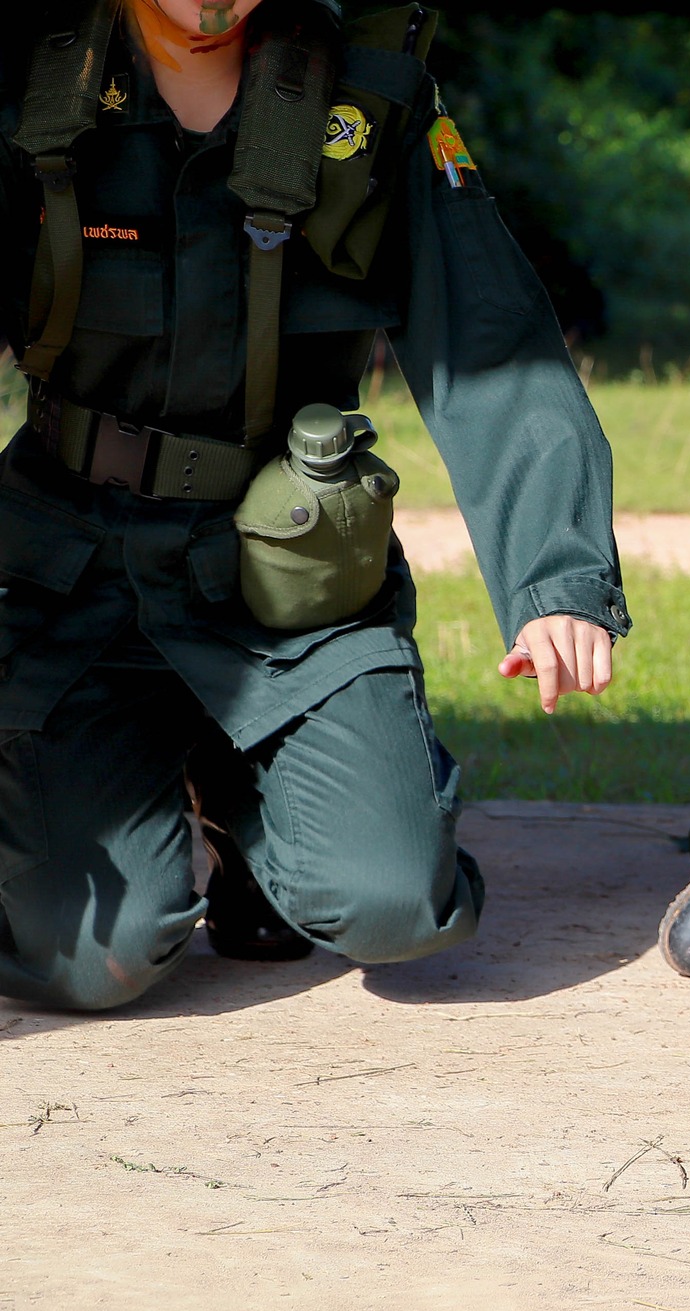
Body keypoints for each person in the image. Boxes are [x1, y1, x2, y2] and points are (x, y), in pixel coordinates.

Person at [0, 0, 628, 1008]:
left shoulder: (366, 100)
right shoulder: (36, 78)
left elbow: (489, 338)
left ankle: (247, 807)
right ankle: (144, 782)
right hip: (71, 573)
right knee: (88, 957)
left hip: (285, 573)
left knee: (395, 905)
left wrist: (556, 579)